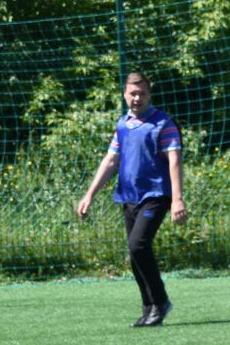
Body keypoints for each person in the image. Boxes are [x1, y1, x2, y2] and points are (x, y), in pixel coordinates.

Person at [76, 71, 185, 327]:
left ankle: (160, 301)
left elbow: (174, 160)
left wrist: (177, 199)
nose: (137, 98)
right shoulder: (123, 124)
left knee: (138, 245)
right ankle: (149, 308)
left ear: (149, 94)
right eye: (133, 93)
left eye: (142, 93)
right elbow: (111, 160)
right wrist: (89, 195)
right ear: (125, 95)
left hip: (156, 195)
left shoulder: (163, 123)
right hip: (129, 196)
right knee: (135, 253)